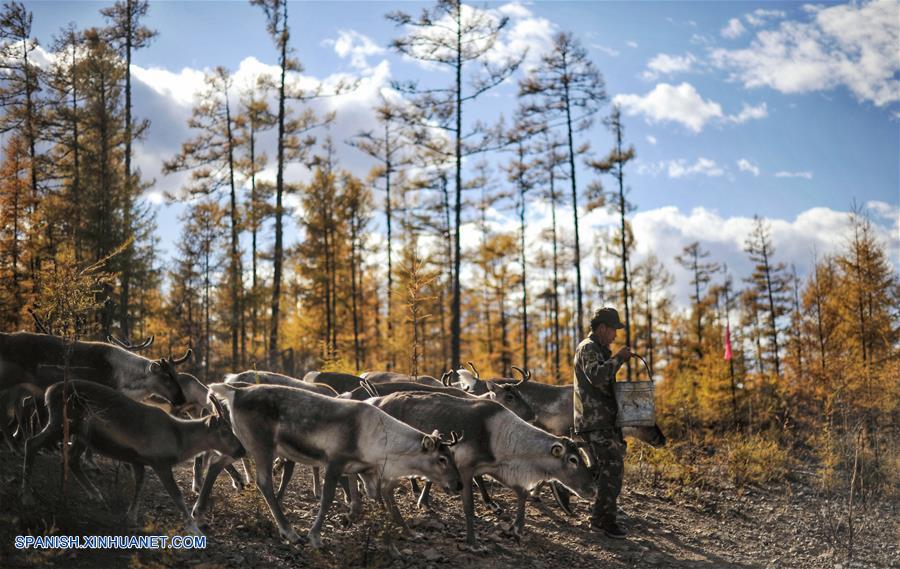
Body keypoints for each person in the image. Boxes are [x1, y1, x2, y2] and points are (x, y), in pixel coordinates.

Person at [573, 306, 632, 539]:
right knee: (612, 467)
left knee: (603, 469)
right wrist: (619, 359)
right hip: (594, 421)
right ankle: (603, 521)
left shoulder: (599, 349)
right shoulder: (588, 348)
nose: (615, 335)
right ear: (602, 328)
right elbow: (597, 376)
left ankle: (601, 516)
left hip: (602, 421)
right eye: (613, 330)